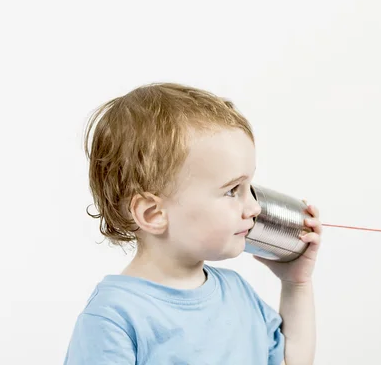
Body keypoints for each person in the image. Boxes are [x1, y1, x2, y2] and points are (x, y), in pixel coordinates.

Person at [63, 83, 322, 365]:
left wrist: (296, 283)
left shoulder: (238, 294)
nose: (255, 207)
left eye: (250, 186)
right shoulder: (115, 317)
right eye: (232, 190)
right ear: (153, 214)